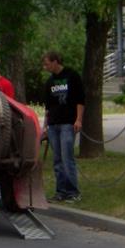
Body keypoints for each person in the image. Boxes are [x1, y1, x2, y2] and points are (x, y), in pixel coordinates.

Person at [42, 51, 84, 203]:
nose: (45, 67)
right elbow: (48, 106)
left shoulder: (72, 76)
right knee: (57, 159)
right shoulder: (50, 82)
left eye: (47, 63)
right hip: (53, 124)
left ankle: (73, 191)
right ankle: (61, 191)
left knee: (67, 158)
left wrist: (78, 119)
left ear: (55, 61)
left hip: (68, 122)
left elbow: (80, 99)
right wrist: (45, 126)